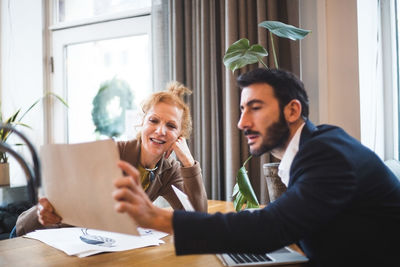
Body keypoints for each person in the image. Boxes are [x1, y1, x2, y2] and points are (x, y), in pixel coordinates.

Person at [112, 68, 400, 267]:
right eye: (242, 110)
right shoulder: (312, 150)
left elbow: (273, 227)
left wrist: (158, 218)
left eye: (255, 107)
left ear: (292, 110)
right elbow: (294, 217)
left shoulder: (328, 154)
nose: (242, 123)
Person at [14, 81, 208, 236]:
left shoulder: (168, 170)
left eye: (171, 126)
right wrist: (45, 210)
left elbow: (197, 219)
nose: (160, 131)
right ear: (142, 123)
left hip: (91, 247)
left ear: (180, 136)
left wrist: (189, 163)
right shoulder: (112, 152)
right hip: (37, 234)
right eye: (153, 120)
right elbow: (56, 202)